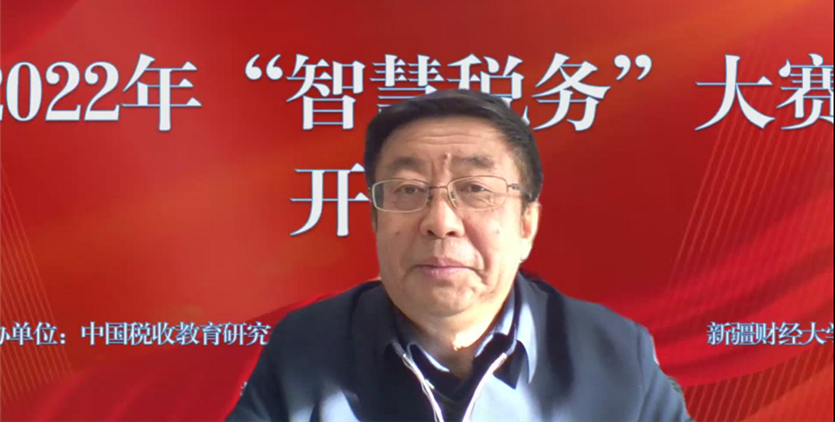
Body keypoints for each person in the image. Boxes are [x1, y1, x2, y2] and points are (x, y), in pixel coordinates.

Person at [227, 90, 693, 422]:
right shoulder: (306, 347)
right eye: (408, 190)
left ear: (526, 225)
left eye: (475, 189)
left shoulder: (614, 353)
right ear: (374, 220)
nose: (440, 221)